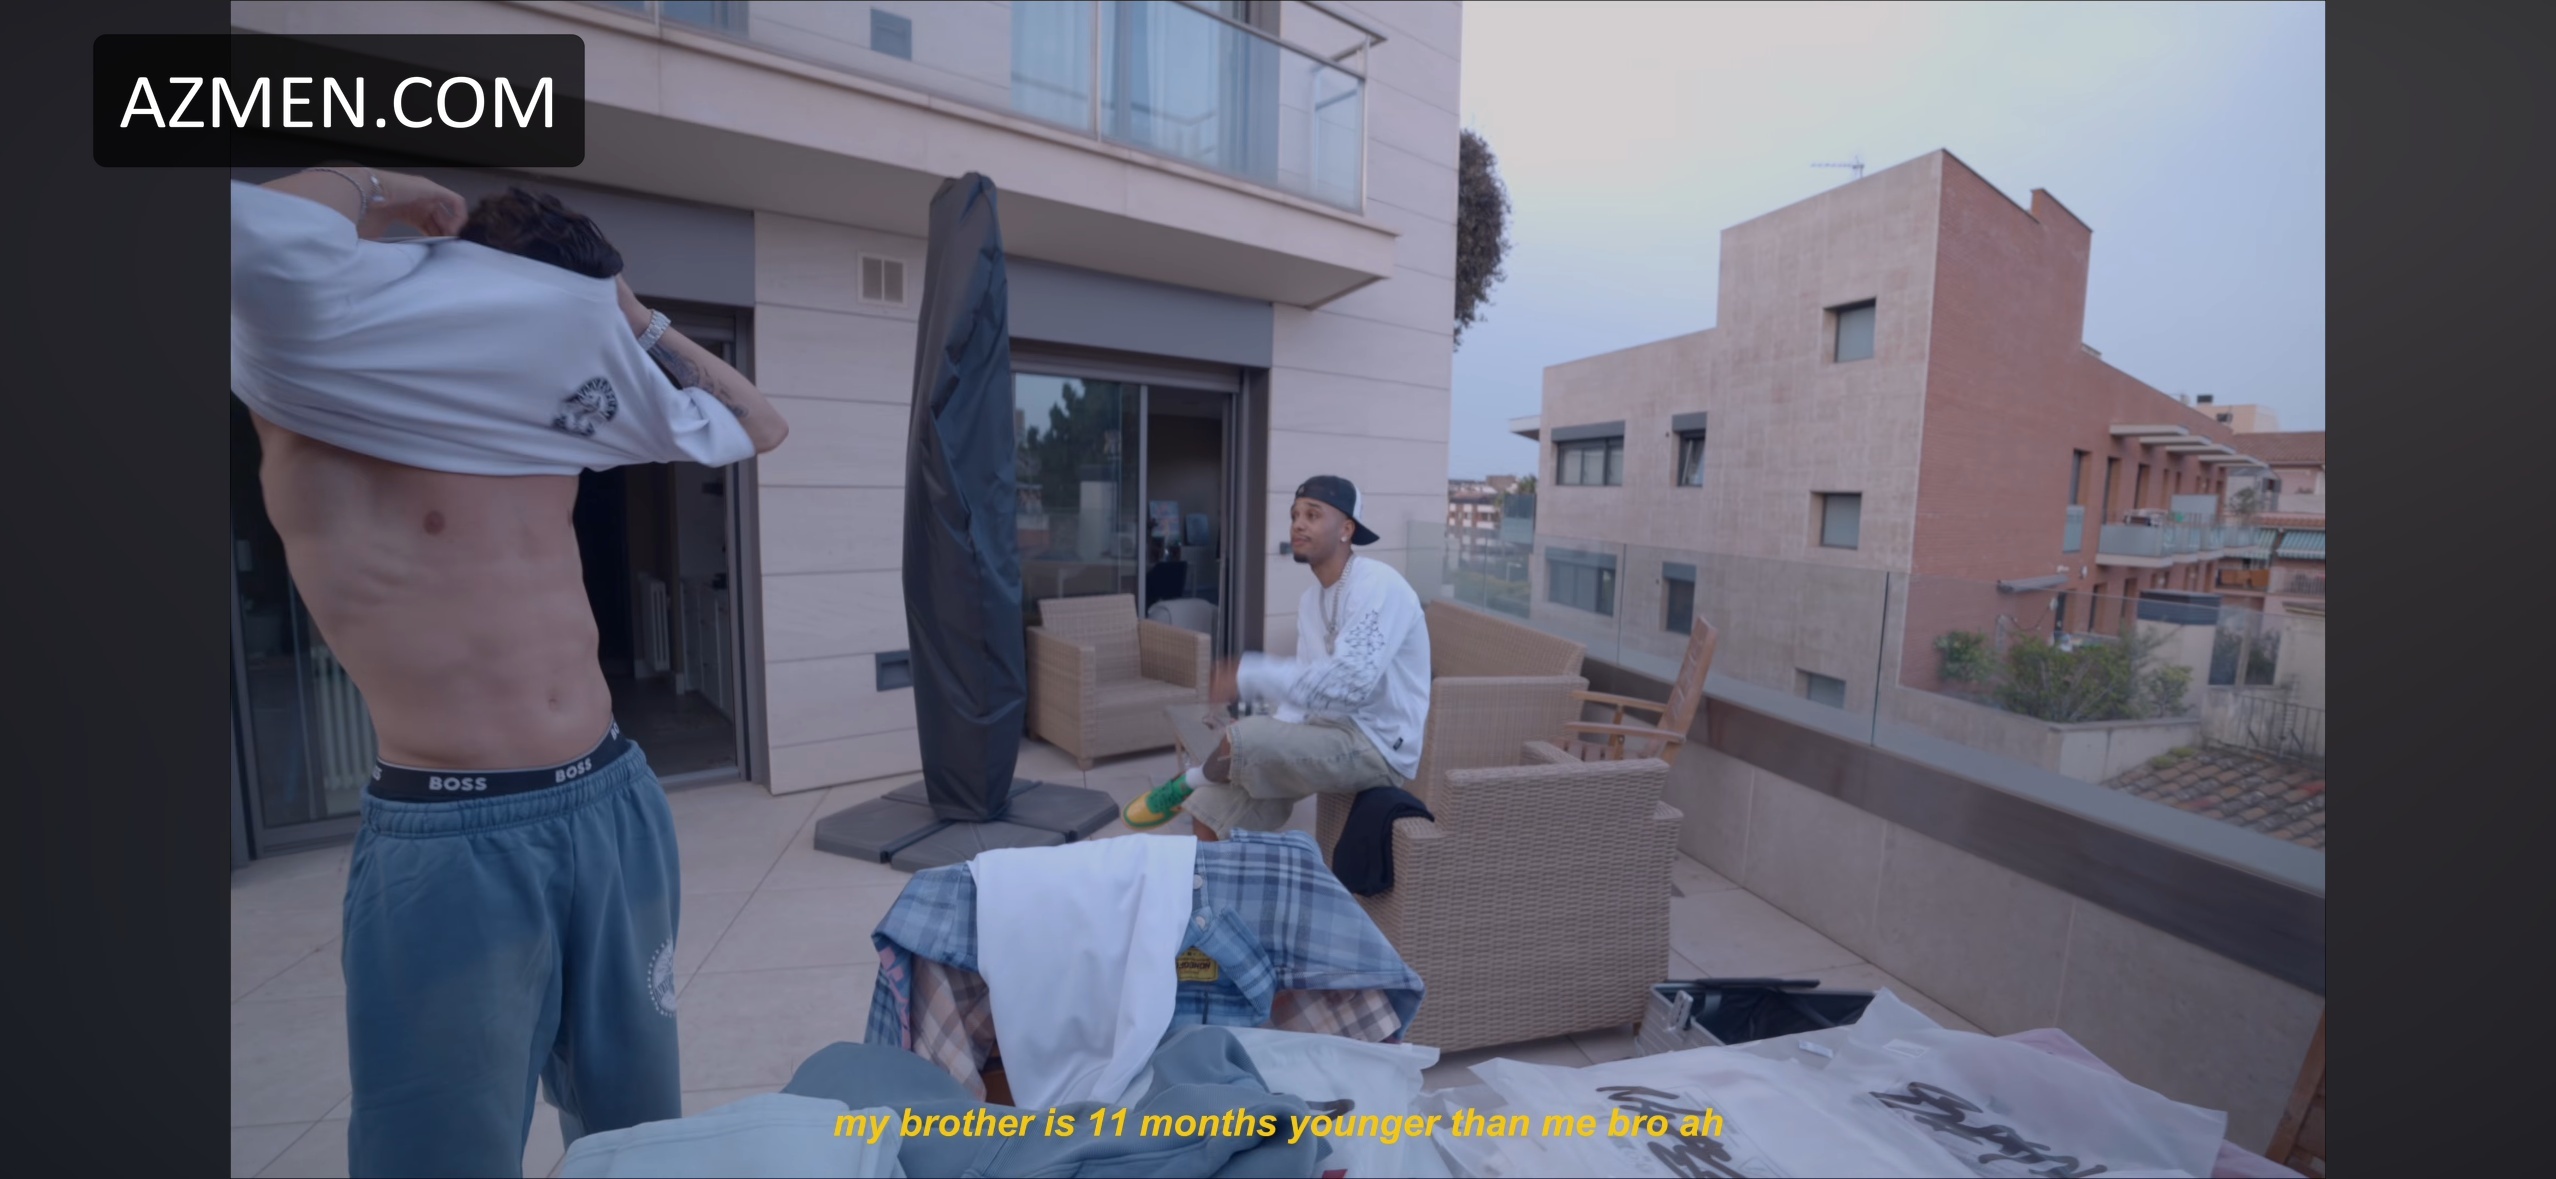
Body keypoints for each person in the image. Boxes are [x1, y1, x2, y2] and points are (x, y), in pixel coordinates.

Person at [230, 166, 789, 1176]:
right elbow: (245, 232)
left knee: (641, 1134)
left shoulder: (547, 407)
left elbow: (758, 425)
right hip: (458, 835)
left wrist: (630, 316)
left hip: (612, 798)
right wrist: (381, 187)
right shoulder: (317, 368)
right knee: (441, 1153)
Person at [1122, 476, 1430, 839]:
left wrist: (1248, 674)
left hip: (1378, 745)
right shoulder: (1311, 602)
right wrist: (1278, 728)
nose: (1298, 524)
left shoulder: (1379, 585)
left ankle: (1187, 780)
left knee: (1245, 738)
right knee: (1210, 805)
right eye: (1295, 515)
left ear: (1346, 529)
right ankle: (1203, 819)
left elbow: (1349, 685)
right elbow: (1304, 691)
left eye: (1313, 515)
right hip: (1326, 728)